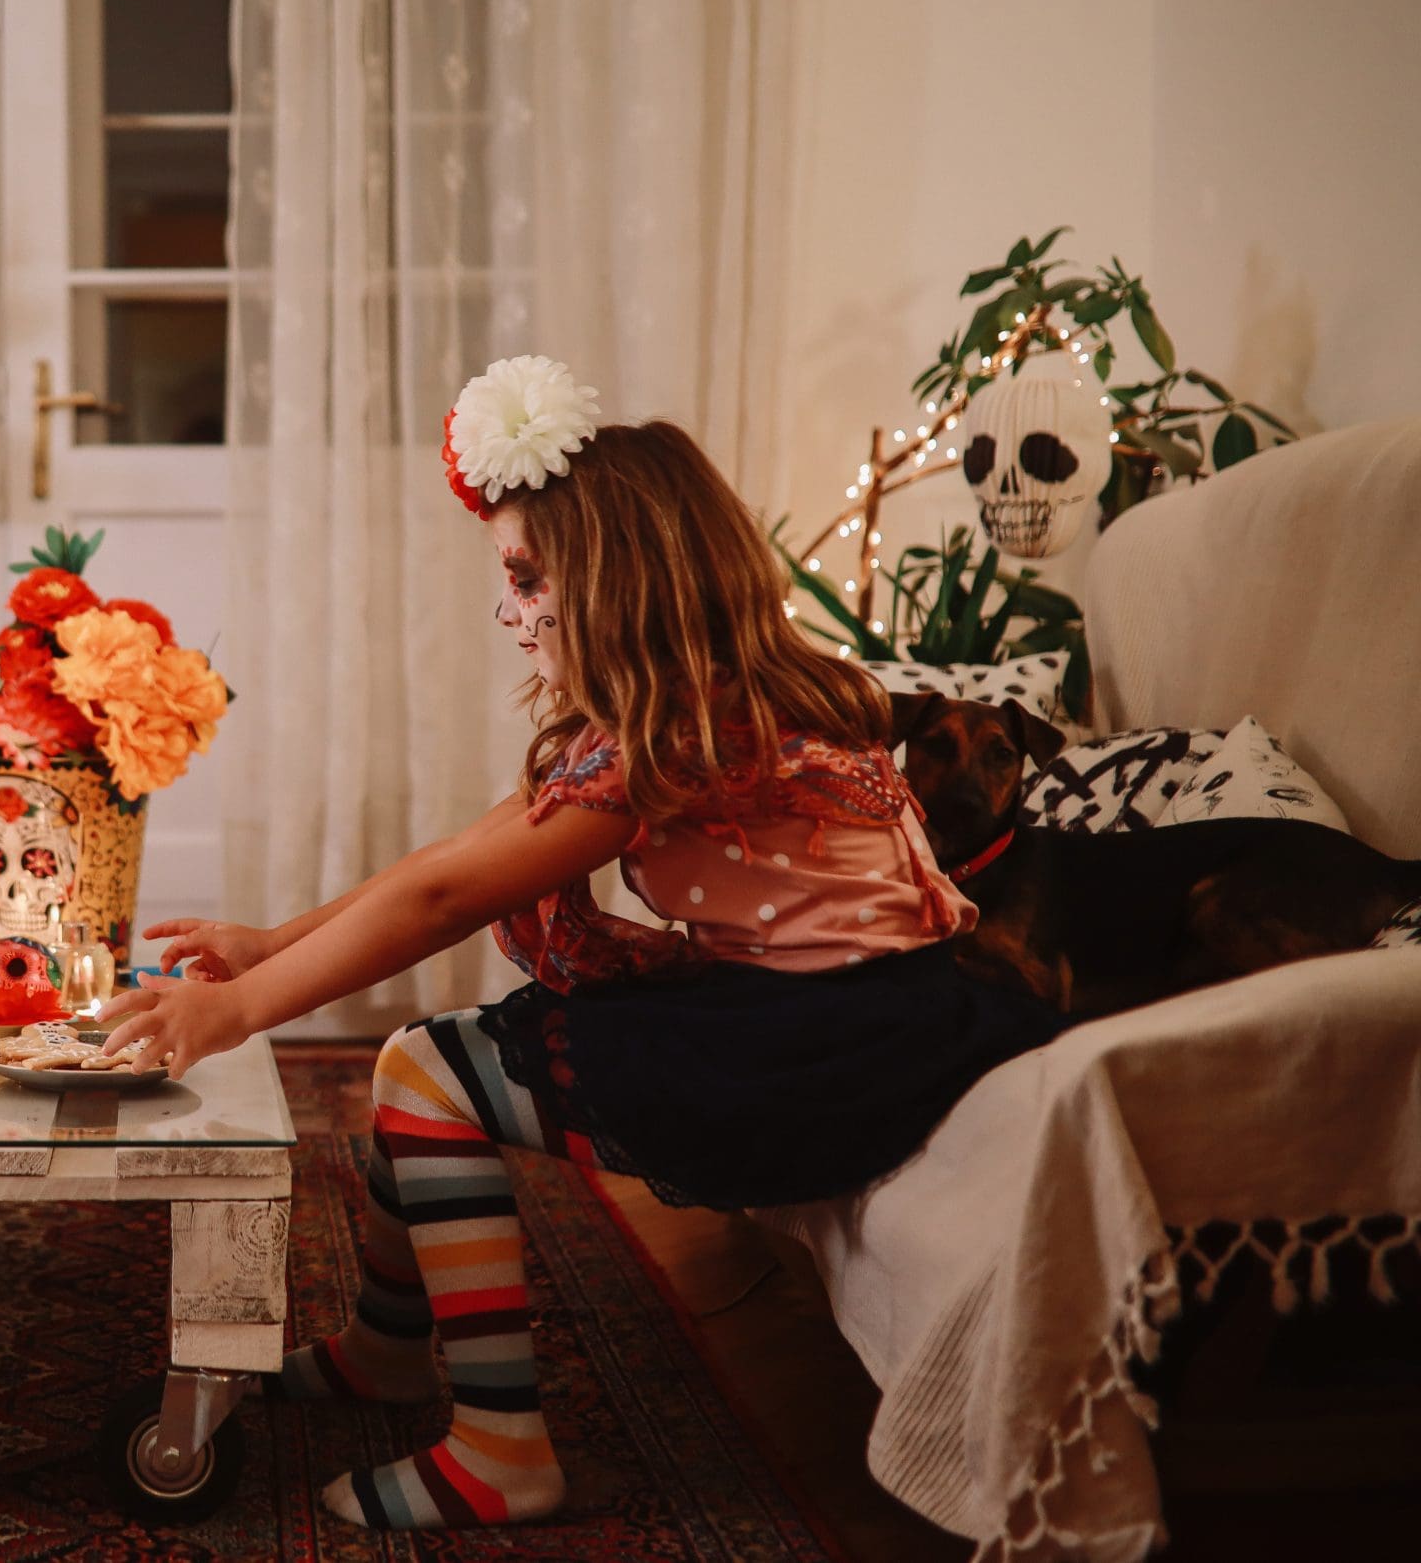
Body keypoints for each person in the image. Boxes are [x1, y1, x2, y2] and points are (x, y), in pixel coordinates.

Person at [100, 356, 1065, 1532]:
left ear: (615, 582)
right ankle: (388, 1351)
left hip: (830, 1045)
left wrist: (240, 1013)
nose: (508, 612)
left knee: (423, 1069)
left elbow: (444, 901)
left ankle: (501, 1447)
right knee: (427, 1057)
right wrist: (271, 946)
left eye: (524, 579)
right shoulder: (686, 709)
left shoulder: (683, 737)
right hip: (854, 1009)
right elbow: (457, 858)